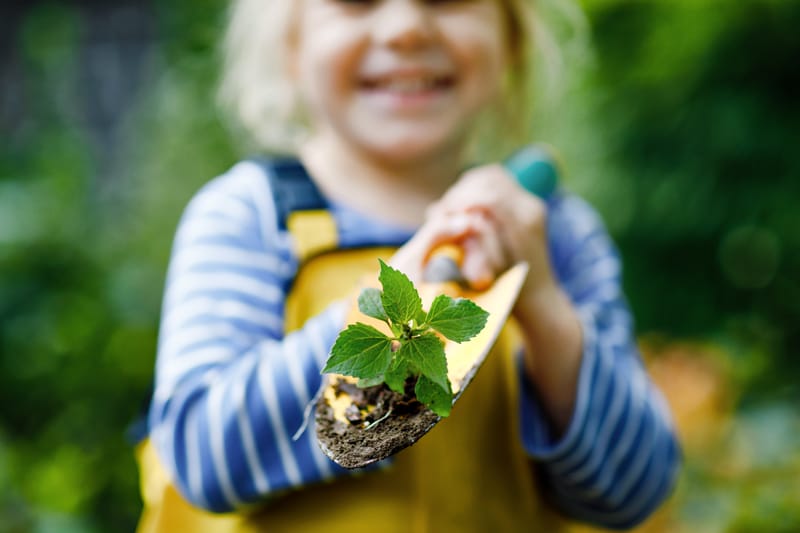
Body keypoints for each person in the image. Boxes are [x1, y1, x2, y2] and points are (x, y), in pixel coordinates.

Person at [139, 0, 681, 531]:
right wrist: (393, 320)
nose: (406, 27)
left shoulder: (553, 234)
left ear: (510, 36)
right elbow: (202, 459)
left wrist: (542, 305)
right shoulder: (252, 218)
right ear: (291, 45)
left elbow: (637, 490)